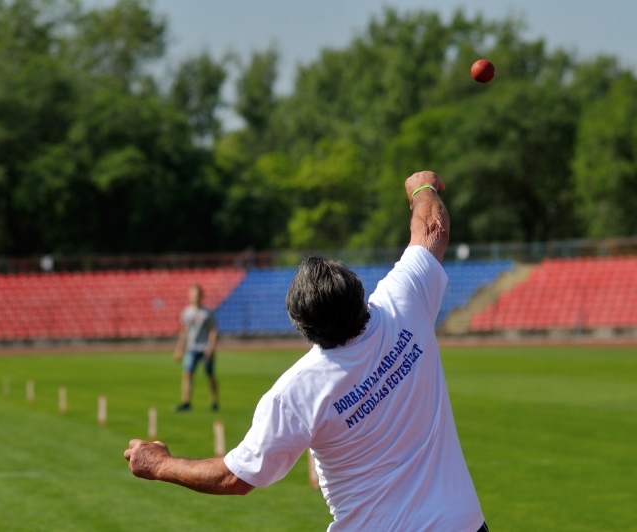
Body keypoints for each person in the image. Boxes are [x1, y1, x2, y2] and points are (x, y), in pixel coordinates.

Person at [125, 171, 488, 532]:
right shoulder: (403, 302)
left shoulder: (297, 392)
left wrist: (159, 465)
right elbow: (433, 228)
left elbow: (234, 478)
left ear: (303, 327)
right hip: (463, 524)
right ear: (356, 289)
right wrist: (421, 186)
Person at [173, 285, 219, 412]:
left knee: (210, 375)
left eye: (197, 295)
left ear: (201, 296)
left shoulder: (207, 313)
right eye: (192, 295)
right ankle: (186, 402)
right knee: (188, 374)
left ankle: (214, 401)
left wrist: (211, 347)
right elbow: (183, 333)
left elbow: (213, 330)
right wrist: (179, 350)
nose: (195, 298)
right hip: (191, 348)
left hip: (205, 348)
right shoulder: (186, 313)